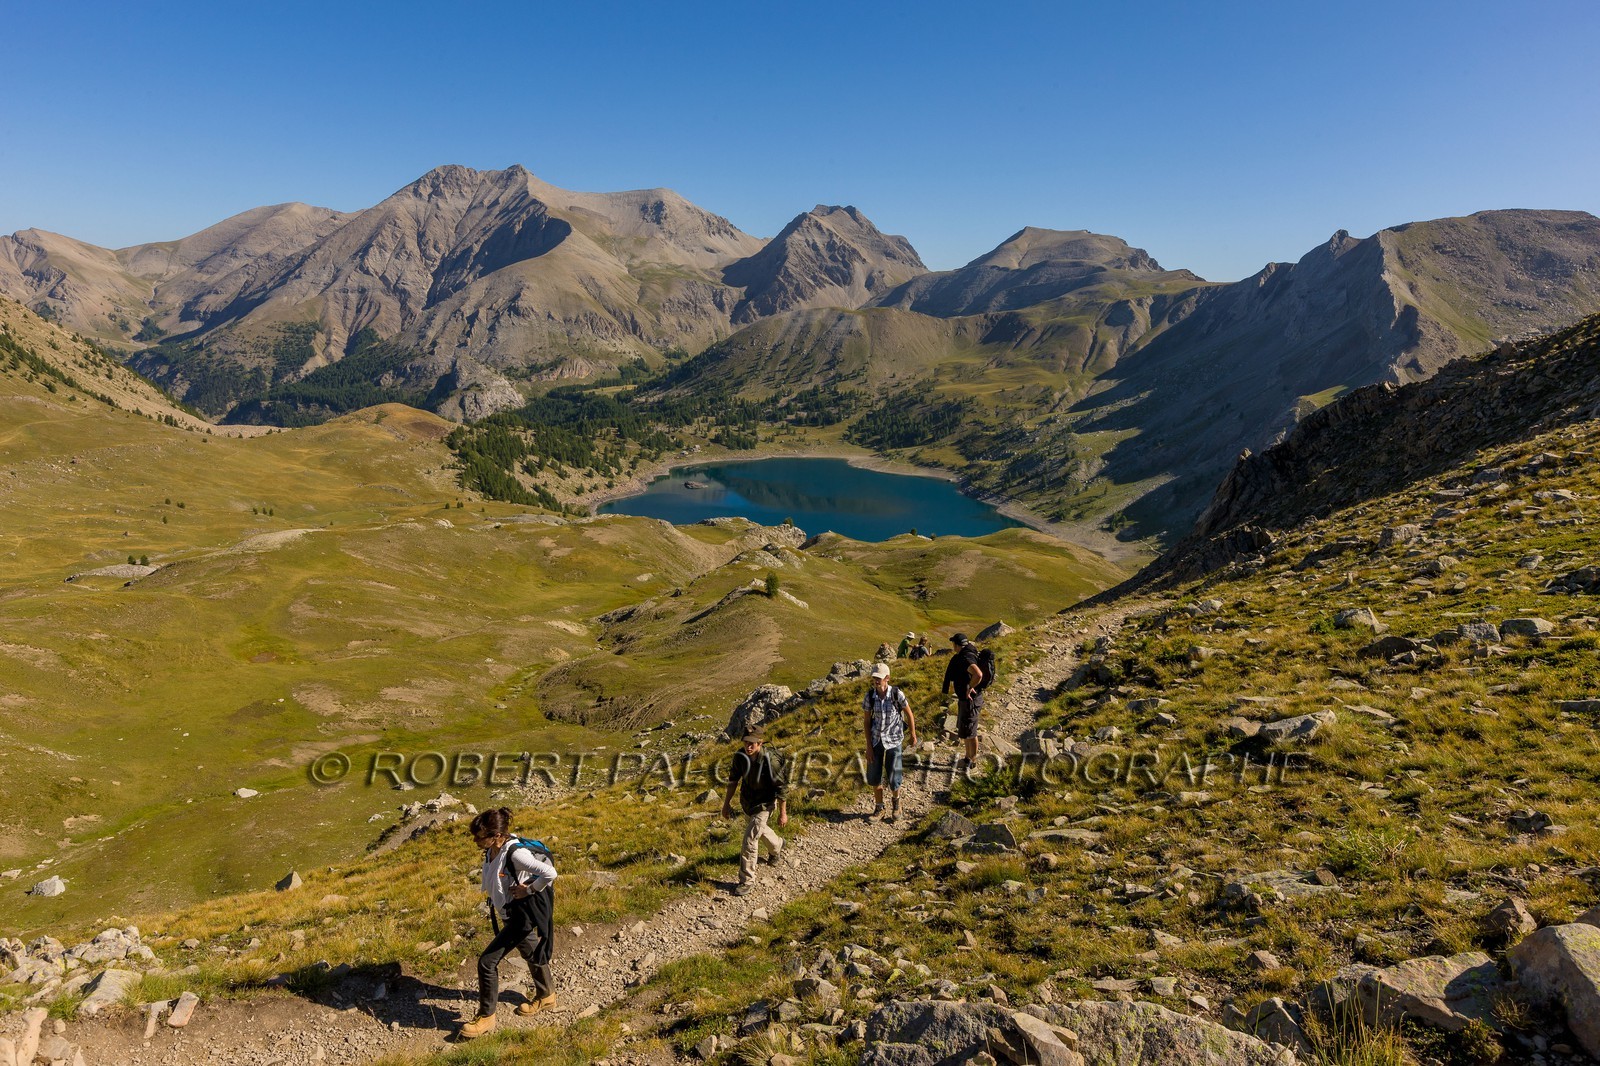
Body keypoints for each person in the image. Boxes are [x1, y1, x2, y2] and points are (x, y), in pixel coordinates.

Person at [458, 808, 558, 1039]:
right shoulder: (495, 849)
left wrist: (529, 889)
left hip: (519, 917)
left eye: (479, 837)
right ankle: (547, 996)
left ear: (496, 835)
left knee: (486, 962)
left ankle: (486, 1017)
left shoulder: (515, 854)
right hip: (510, 913)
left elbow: (549, 873)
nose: (475, 841)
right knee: (530, 951)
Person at [721, 729, 789, 896]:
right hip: (748, 801)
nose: (748, 746)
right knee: (760, 829)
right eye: (746, 742)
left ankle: (746, 880)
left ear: (760, 743)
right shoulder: (740, 757)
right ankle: (778, 845)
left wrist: (783, 813)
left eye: (752, 743)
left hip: (765, 804)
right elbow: (733, 781)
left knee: (750, 840)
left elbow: (782, 788)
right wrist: (726, 804)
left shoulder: (770, 761)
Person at [863, 662, 917, 821]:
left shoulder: (896, 694)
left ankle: (896, 804)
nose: (876, 681)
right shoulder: (870, 696)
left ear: (887, 678)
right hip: (876, 740)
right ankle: (879, 808)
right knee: (874, 775)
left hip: (894, 740)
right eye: (874, 678)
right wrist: (868, 746)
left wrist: (913, 733)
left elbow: (909, 713)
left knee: (894, 775)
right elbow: (866, 721)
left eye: (879, 678)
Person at [941, 633, 985, 771]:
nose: (952, 646)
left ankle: (973, 761)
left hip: (970, 700)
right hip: (966, 700)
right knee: (966, 730)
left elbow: (978, 674)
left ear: (957, 645)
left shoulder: (966, 658)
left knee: (971, 731)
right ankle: (967, 757)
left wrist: (970, 687)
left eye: (953, 643)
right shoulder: (969, 652)